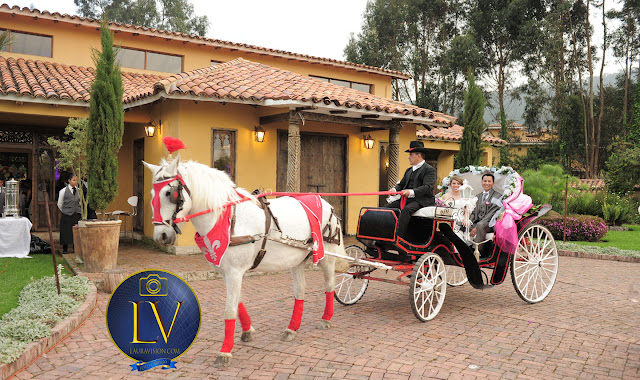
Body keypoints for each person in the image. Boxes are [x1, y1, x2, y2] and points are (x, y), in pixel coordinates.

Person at [384, 140, 437, 239]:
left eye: (411, 154)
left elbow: (427, 187)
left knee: (407, 210)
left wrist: (411, 192)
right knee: (387, 208)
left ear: (419, 155)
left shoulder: (429, 170)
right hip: (407, 199)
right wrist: (394, 190)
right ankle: (385, 233)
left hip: (422, 200)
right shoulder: (409, 170)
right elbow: (401, 184)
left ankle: (398, 237)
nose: (409, 157)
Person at [469, 173, 503, 247]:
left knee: (480, 225)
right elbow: (474, 212)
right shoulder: (478, 196)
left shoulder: (497, 196)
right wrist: (470, 221)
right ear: (482, 182)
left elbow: (490, 215)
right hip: (477, 222)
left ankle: (478, 252)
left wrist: (476, 228)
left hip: (489, 224)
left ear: (493, 183)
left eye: (489, 181)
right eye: (485, 181)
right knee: (462, 225)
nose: (486, 183)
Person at [57, 173, 81, 254]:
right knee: (65, 231)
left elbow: (80, 202)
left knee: (76, 231)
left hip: (76, 213)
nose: (75, 182)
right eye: (74, 180)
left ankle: (75, 248)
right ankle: (65, 248)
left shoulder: (78, 190)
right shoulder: (63, 191)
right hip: (66, 214)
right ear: (69, 181)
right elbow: (60, 203)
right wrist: (65, 211)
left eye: (76, 180)